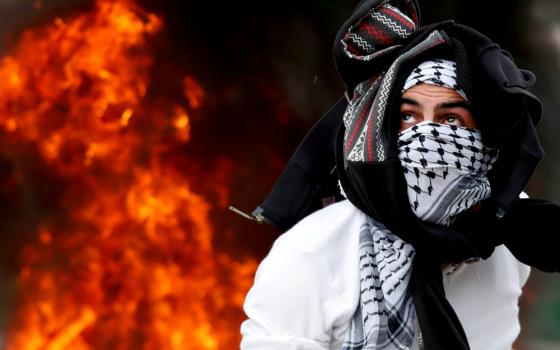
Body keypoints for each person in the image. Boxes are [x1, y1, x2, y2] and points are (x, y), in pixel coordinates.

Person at [240, 0, 560, 349]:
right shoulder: (313, 254)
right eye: (408, 117)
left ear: (487, 140)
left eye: (451, 119)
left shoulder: (507, 239)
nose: (426, 137)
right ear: (382, 133)